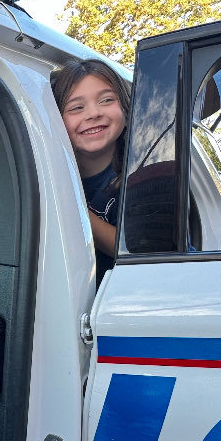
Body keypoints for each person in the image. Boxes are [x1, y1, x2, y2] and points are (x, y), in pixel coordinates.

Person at [51, 59, 130, 282]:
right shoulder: (42, 174)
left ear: (125, 109)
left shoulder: (144, 178)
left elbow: (144, 252)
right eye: (77, 107)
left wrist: (74, 211)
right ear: (55, 120)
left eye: (106, 100)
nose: (93, 113)